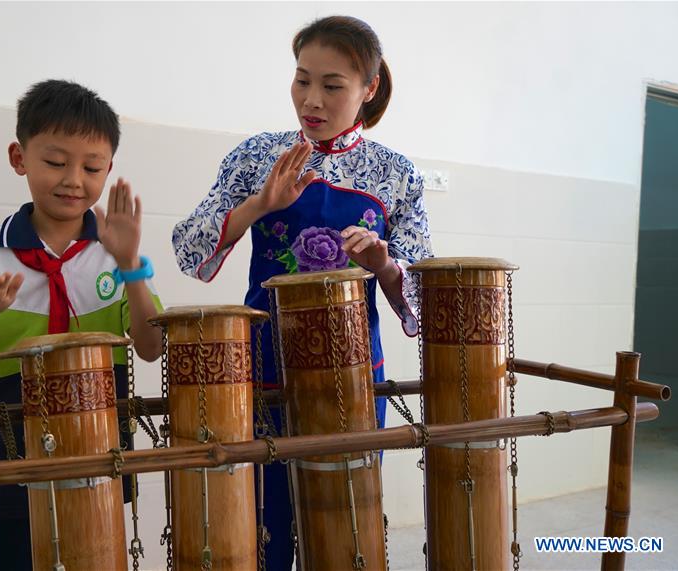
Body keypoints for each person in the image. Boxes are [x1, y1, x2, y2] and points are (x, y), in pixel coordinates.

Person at [172, 15, 433, 569]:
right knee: (259, 526)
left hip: (355, 378)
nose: (311, 99)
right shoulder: (256, 156)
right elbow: (189, 251)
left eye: (332, 85)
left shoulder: (396, 174)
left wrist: (383, 261)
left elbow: (424, 297)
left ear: (369, 88)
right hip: (261, 368)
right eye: (301, 80)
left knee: (344, 530)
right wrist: (259, 205)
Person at [0, 79, 163, 570]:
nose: (74, 179)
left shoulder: (114, 254)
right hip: (7, 456)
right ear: (19, 157)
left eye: (92, 167)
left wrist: (131, 263)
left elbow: (152, 347)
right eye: (56, 162)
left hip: (98, 453)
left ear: (108, 168)